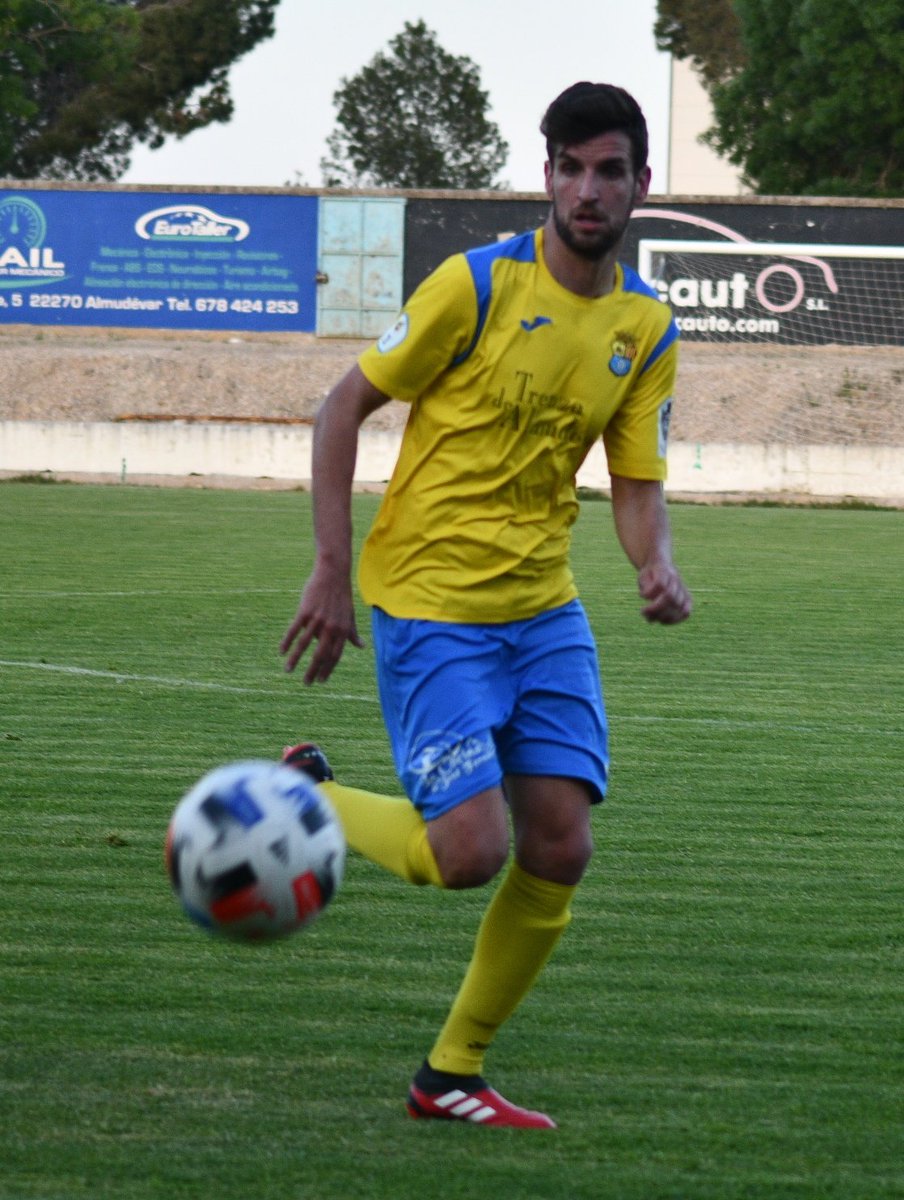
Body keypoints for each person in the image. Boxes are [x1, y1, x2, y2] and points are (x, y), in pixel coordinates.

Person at [279, 81, 692, 1130]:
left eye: (609, 169)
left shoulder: (644, 328)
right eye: (569, 166)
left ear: (642, 183)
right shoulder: (472, 287)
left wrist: (654, 563)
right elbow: (342, 408)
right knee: (468, 856)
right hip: (430, 604)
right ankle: (304, 802)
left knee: (559, 845)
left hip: (542, 611)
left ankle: (448, 1074)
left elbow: (634, 486)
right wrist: (331, 569)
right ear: (545, 174)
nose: (587, 189)